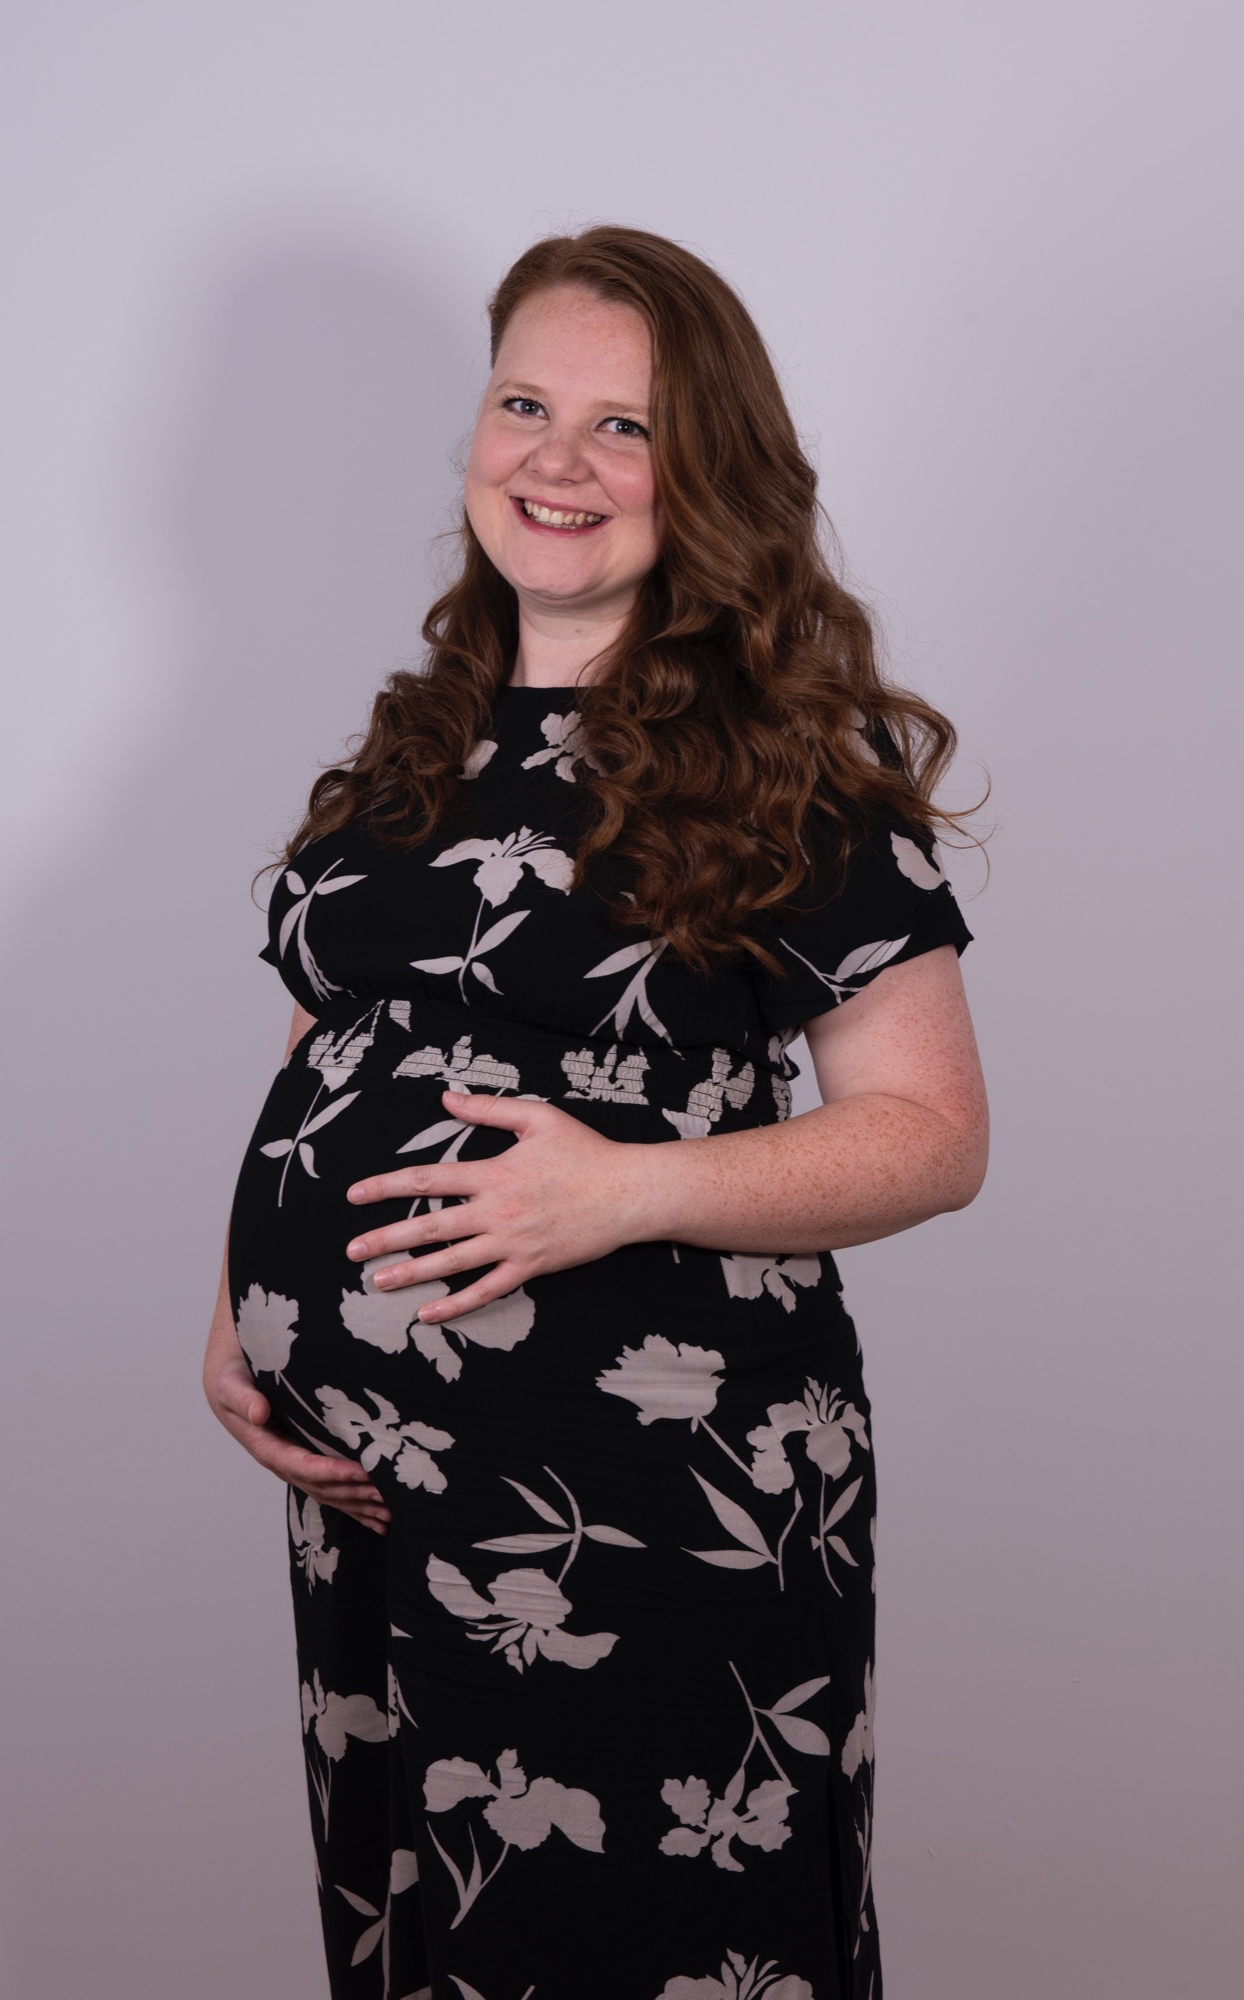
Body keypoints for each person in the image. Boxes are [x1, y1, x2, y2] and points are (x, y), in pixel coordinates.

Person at [203, 224, 988, 2000]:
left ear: (706, 474)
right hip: (382, 1500)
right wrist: (236, 1310)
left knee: (652, 1947)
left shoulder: (790, 771)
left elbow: (933, 1132)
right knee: (427, 1942)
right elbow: (330, 1048)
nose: (555, 460)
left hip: (645, 1497)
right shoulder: (411, 753)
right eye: (523, 405)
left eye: (623, 426)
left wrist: (620, 1191)